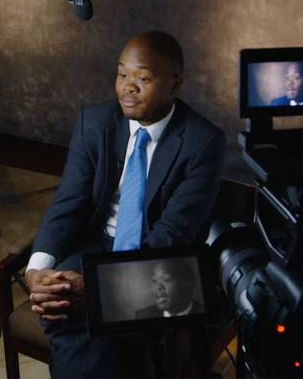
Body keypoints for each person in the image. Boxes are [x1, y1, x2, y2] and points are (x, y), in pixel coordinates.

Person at [25, 31, 226, 377]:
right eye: (121, 74)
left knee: (95, 331)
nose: (127, 87)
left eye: (143, 78)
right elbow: (68, 203)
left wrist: (104, 286)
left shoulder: (202, 142)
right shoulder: (95, 122)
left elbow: (174, 233)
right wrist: (35, 272)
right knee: (58, 300)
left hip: (162, 265)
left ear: (174, 83)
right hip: (98, 245)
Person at [135, 259, 204, 319]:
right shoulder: (143, 316)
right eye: (154, 281)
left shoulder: (204, 311)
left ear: (188, 282)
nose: (158, 287)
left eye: (166, 279)